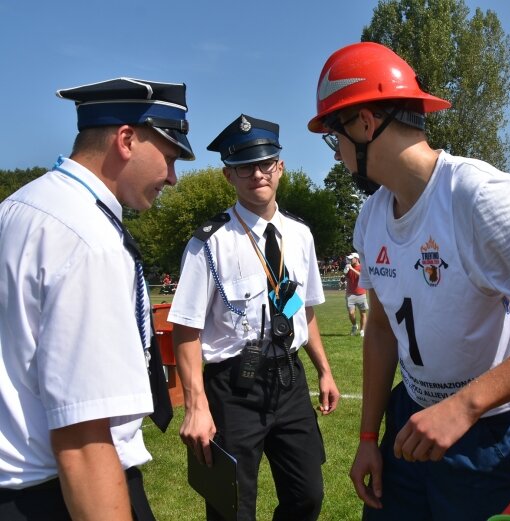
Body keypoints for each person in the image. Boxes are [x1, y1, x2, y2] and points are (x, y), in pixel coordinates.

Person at [308, 42, 510, 521]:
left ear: (364, 124)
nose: (339, 154)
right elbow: (385, 329)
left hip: (490, 432)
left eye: (335, 136)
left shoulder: (479, 195)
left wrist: (465, 406)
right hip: (410, 421)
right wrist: (369, 436)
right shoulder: (370, 217)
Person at [0, 77, 193, 520]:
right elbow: (83, 434)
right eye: (168, 157)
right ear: (126, 139)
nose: (172, 177)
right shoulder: (89, 239)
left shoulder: (18, 206)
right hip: (63, 493)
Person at [168, 114, 340, 521]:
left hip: (289, 380)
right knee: (232, 507)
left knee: (307, 495)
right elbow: (186, 329)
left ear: (280, 167)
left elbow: (306, 309)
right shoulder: (208, 243)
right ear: (229, 175)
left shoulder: (300, 234)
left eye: (265, 164)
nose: (257, 174)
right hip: (233, 387)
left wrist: (325, 370)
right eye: (244, 166)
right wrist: (196, 405)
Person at [344, 252, 368, 336]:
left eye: (351, 259)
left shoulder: (362, 267)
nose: (350, 260)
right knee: (351, 313)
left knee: (363, 313)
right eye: (349, 259)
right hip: (350, 294)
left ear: (356, 259)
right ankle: (354, 325)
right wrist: (345, 273)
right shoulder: (348, 267)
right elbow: (345, 278)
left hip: (361, 293)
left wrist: (352, 269)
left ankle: (362, 331)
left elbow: (362, 276)